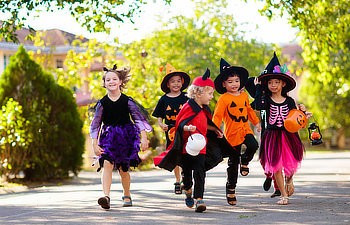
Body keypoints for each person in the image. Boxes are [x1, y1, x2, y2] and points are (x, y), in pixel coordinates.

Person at [155, 68, 236, 213]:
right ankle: (187, 190)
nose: (212, 96)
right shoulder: (188, 107)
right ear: (199, 93)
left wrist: (215, 130)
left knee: (199, 171)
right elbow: (179, 124)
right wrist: (187, 128)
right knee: (187, 174)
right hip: (186, 147)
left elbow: (206, 123)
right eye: (209, 93)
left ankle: (199, 199)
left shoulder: (204, 108)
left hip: (201, 146)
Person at [90, 65, 152, 210]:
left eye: (114, 79)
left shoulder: (127, 101)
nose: (111, 81)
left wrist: (143, 138)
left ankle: (127, 194)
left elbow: (138, 119)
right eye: (108, 79)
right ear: (104, 83)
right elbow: (95, 124)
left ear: (120, 82)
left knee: (123, 170)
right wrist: (94, 144)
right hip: (108, 138)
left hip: (126, 138)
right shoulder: (102, 103)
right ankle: (106, 197)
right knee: (106, 164)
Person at [254, 52, 308, 205]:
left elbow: (296, 118)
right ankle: (284, 195)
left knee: (291, 164)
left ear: (283, 84)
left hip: (288, 135)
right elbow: (258, 106)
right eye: (270, 83)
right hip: (272, 136)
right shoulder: (266, 100)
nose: (273, 85)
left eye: (277, 82)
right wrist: (258, 90)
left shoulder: (290, 101)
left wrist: (303, 112)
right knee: (276, 166)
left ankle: (289, 181)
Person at [212, 58, 261, 206]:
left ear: (241, 82)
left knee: (253, 145)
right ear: (224, 84)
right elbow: (217, 116)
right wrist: (214, 129)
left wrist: (256, 122)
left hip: (245, 128)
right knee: (233, 164)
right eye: (230, 82)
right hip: (231, 134)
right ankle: (231, 189)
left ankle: (245, 160)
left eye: (236, 81)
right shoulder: (223, 99)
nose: (234, 84)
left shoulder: (244, 96)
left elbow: (248, 110)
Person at [152, 63, 190, 194]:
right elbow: (159, 115)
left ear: (182, 83)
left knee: (186, 154)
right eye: (173, 81)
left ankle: (186, 177)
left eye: (178, 81)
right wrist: (161, 124)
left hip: (185, 129)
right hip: (171, 132)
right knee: (175, 156)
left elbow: (192, 112)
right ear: (168, 84)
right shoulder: (164, 99)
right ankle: (177, 180)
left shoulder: (186, 97)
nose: (176, 84)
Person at [246, 77, 281, 198]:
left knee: (276, 161)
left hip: (276, 133)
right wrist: (257, 88)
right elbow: (253, 105)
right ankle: (268, 175)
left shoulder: (272, 99)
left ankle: (278, 188)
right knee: (263, 159)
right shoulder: (259, 100)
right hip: (265, 134)